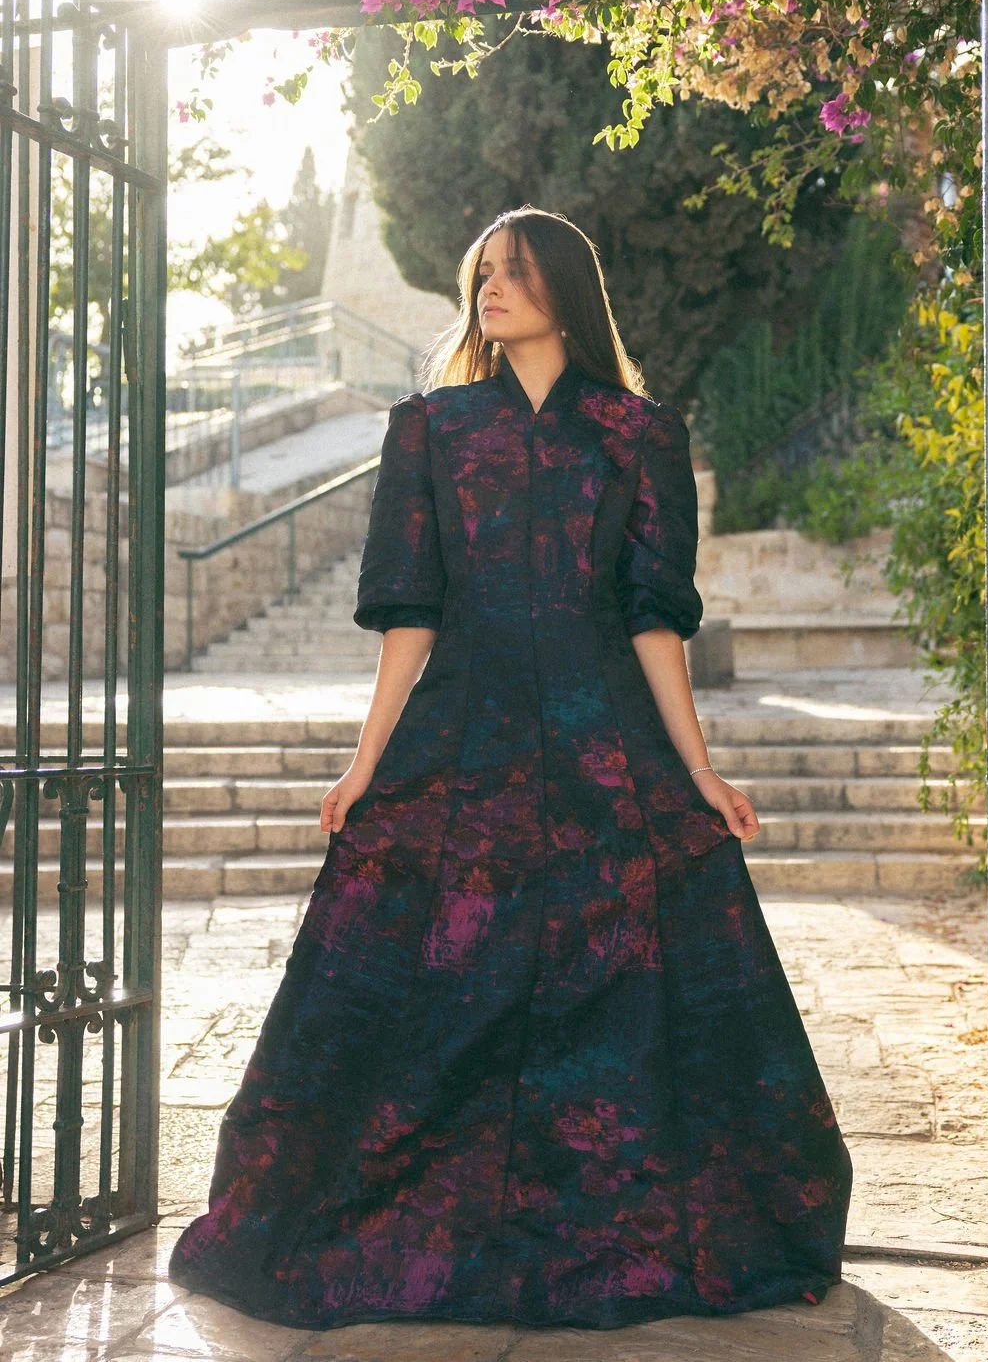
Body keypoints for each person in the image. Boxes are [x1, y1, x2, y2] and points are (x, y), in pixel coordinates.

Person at [168, 206, 853, 1331]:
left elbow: (653, 619)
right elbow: (410, 618)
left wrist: (701, 768)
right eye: (481, 269)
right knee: (434, 986)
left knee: (619, 989)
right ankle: (423, 1221)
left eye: (516, 270)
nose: (491, 287)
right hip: (460, 741)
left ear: (564, 288)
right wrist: (361, 764)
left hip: (606, 746)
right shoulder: (430, 428)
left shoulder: (638, 431)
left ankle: (612, 1222)